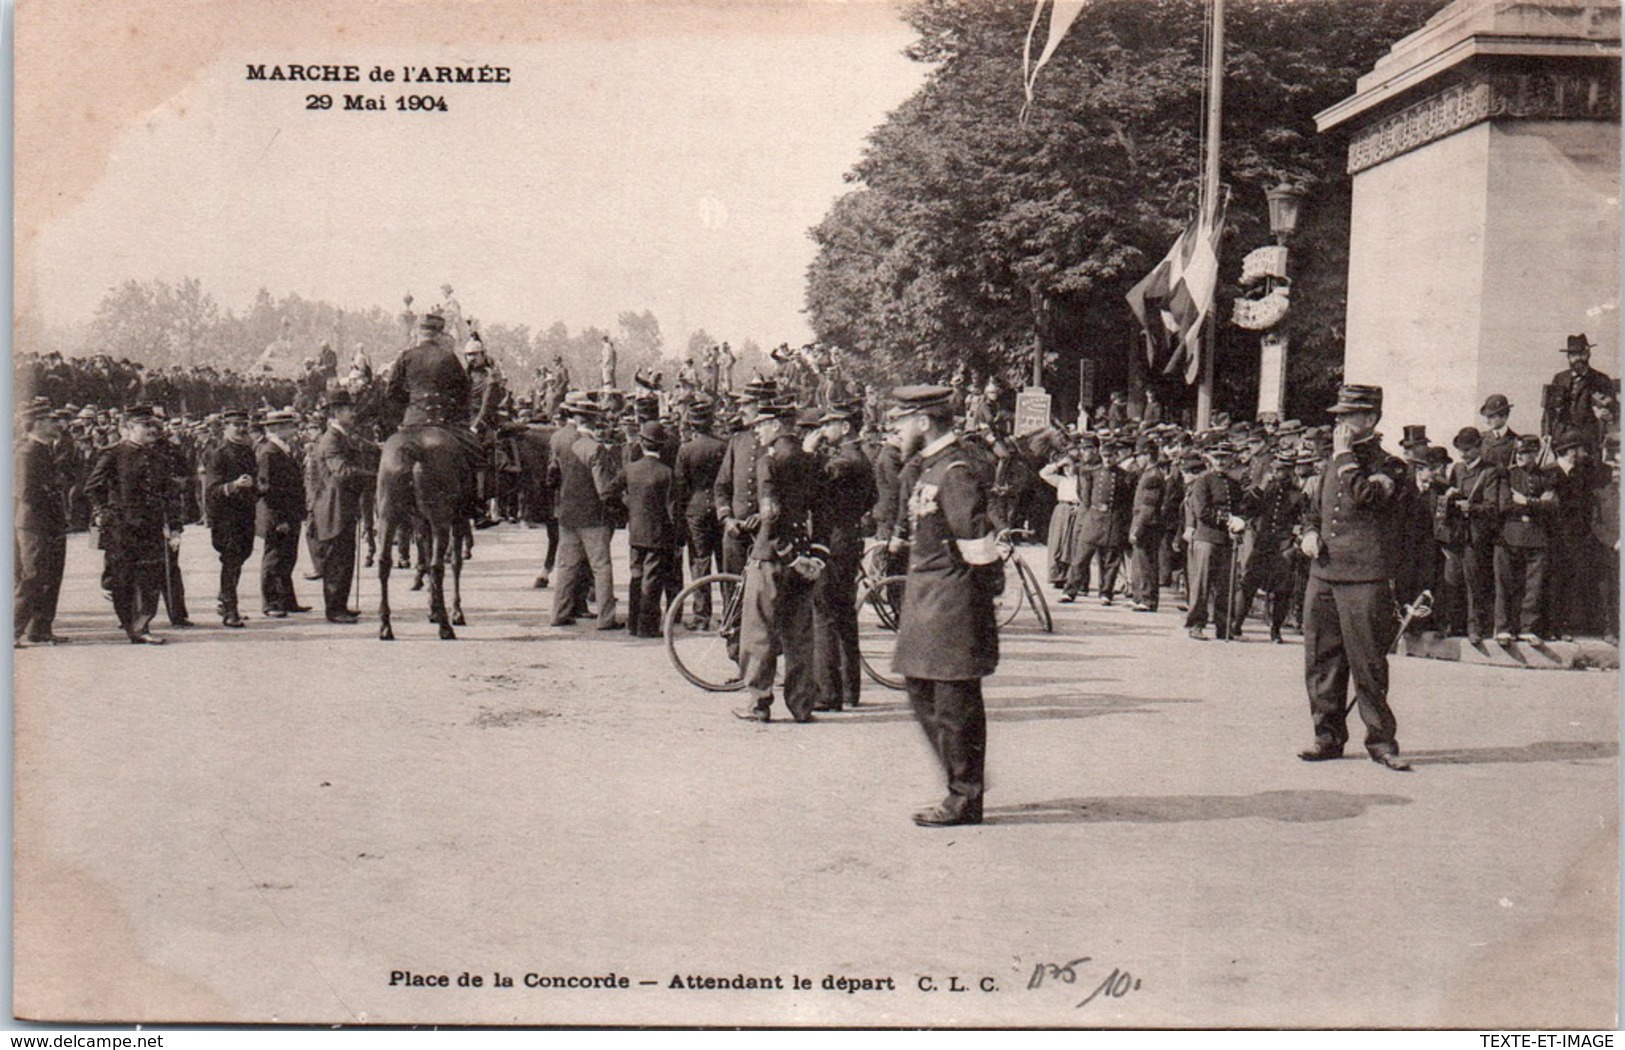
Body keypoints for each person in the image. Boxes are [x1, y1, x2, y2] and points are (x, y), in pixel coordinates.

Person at [888, 385, 1001, 827]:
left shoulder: (953, 470)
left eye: (901, 421)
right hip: (928, 601)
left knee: (954, 704)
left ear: (923, 422)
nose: (895, 429)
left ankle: (964, 796)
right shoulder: (928, 467)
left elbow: (976, 542)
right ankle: (964, 779)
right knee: (922, 692)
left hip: (951, 603)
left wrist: (981, 596)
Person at [1296, 384, 1412, 771]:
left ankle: (1381, 742)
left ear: (1370, 419)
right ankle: (1326, 736)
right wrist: (1310, 532)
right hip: (1325, 574)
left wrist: (1345, 454)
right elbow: (1314, 510)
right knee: (1322, 660)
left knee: (1368, 663)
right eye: (1339, 417)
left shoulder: (1390, 466)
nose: (1338, 424)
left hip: (1364, 577)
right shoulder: (1332, 463)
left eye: (1347, 417)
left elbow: (1367, 496)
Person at [732, 400, 822, 723]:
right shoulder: (809, 459)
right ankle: (801, 705)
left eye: (760, 425)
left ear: (775, 426)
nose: (757, 431)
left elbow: (770, 516)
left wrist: (788, 554)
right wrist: (808, 555)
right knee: (799, 635)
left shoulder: (769, 461)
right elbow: (818, 509)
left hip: (772, 556)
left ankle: (758, 703)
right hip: (804, 555)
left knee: (758, 632)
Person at [807, 399, 877, 712]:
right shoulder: (860, 458)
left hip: (834, 542)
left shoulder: (844, 462)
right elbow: (873, 497)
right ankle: (850, 690)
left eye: (828, 424)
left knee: (824, 613)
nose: (823, 430)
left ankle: (828, 693)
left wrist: (808, 452)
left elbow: (812, 486)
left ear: (845, 426)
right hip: (849, 538)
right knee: (845, 614)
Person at [86, 405, 175, 644]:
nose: (151, 430)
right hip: (122, 527)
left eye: (153, 425)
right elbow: (93, 486)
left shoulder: (160, 457)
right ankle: (132, 625)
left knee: (150, 576)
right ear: (128, 428)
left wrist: (174, 526)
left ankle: (142, 624)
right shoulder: (113, 453)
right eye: (145, 425)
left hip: (151, 525)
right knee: (123, 578)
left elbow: (170, 493)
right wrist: (104, 512)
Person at [550, 400, 625, 630]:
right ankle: (606, 618)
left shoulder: (558, 439)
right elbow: (603, 488)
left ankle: (559, 613)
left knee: (566, 566)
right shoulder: (595, 448)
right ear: (593, 420)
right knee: (601, 567)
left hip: (567, 513)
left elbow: (552, 475)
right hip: (593, 517)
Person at [311, 391, 373, 623]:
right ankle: (334, 610)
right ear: (336, 413)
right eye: (348, 409)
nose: (353, 413)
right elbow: (342, 471)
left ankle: (340, 605)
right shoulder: (331, 440)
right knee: (336, 560)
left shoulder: (343, 436)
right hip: (333, 508)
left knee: (345, 558)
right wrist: (374, 477)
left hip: (343, 507)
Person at [14, 403, 70, 645]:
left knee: (51, 577)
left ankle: (40, 629)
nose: (55, 424)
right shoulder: (26, 452)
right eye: (49, 420)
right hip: (35, 523)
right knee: (34, 577)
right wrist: (51, 493)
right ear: (37, 424)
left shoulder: (45, 450)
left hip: (51, 522)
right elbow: (26, 492)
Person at [1492, 434, 1555, 643]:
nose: (1520, 456)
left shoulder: (1546, 477)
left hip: (1537, 537)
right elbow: (1504, 505)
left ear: (1535, 454)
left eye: (1525, 452)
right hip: (1509, 536)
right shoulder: (1507, 475)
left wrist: (1526, 501)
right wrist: (1537, 503)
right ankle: (1503, 628)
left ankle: (1528, 628)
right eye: (1518, 452)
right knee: (1506, 584)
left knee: (1533, 586)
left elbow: (1553, 506)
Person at [202, 409, 260, 628]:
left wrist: (255, 487)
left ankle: (224, 598)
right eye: (236, 424)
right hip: (226, 517)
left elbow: (255, 478)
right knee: (231, 561)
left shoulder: (247, 451)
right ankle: (230, 609)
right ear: (225, 427)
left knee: (241, 556)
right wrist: (234, 485)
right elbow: (211, 490)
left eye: (244, 424)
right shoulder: (219, 453)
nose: (241, 428)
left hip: (245, 514)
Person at [1447, 427, 1501, 644]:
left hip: (1476, 535)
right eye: (1460, 449)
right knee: (1453, 578)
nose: (1463, 454)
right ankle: (1455, 624)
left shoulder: (1488, 472)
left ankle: (1475, 627)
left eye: (1468, 449)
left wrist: (1471, 508)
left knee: (1474, 582)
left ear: (1479, 448)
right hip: (1456, 535)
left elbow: (1491, 506)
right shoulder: (1458, 469)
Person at [624, 420, 678, 638]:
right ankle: (647, 626)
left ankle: (632, 622)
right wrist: (677, 539)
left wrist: (629, 506)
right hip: (658, 534)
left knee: (636, 575)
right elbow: (672, 510)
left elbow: (609, 493)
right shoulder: (667, 473)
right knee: (652, 580)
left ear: (642, 443)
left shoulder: (630, 469)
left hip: (635, 531)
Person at [256, 409, 308, 618]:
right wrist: (279, 519)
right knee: (274, 558)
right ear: (276, 429)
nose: (293, 429)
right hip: (278, 516)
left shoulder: (281, 449)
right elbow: (268, 490)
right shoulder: (269, 453)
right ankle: (270, 602)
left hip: (289, 514)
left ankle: (287, 600)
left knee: (287, 557)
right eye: (289, 425)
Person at [1543, 334, 1616, 451]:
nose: (1578, 358)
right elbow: (1549, 409)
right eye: (1574, 355)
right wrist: (1546, 433)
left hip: (1589, 440)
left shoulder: (1601, 379)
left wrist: (1608, 416)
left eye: (1581, 354)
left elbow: (1615, 409)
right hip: (1562, 439)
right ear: (1568, 357)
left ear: (1588, 354)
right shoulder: (1559, 379)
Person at [1478, 395, 1519, 469]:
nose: (1487, 421)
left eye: (1492, 417)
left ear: (1505, 416)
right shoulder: (1480, 439)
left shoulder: (1516, 441)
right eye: (1486, 417)